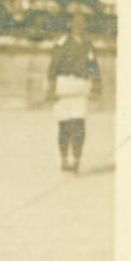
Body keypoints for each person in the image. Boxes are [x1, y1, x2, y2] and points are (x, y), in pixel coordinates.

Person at [46, 10, 103, 173]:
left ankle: (76, 159)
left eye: (83, 22)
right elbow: (53, 68)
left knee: (79, 124)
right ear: (70, 24)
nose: (80, 26)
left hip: (81, 87)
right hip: (63, 86)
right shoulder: (62, 43)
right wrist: (51, 88)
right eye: (76, 22)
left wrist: (96, 87)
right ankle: (64, 159)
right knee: (64, 125)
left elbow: (94, 68)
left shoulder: (88, 45)